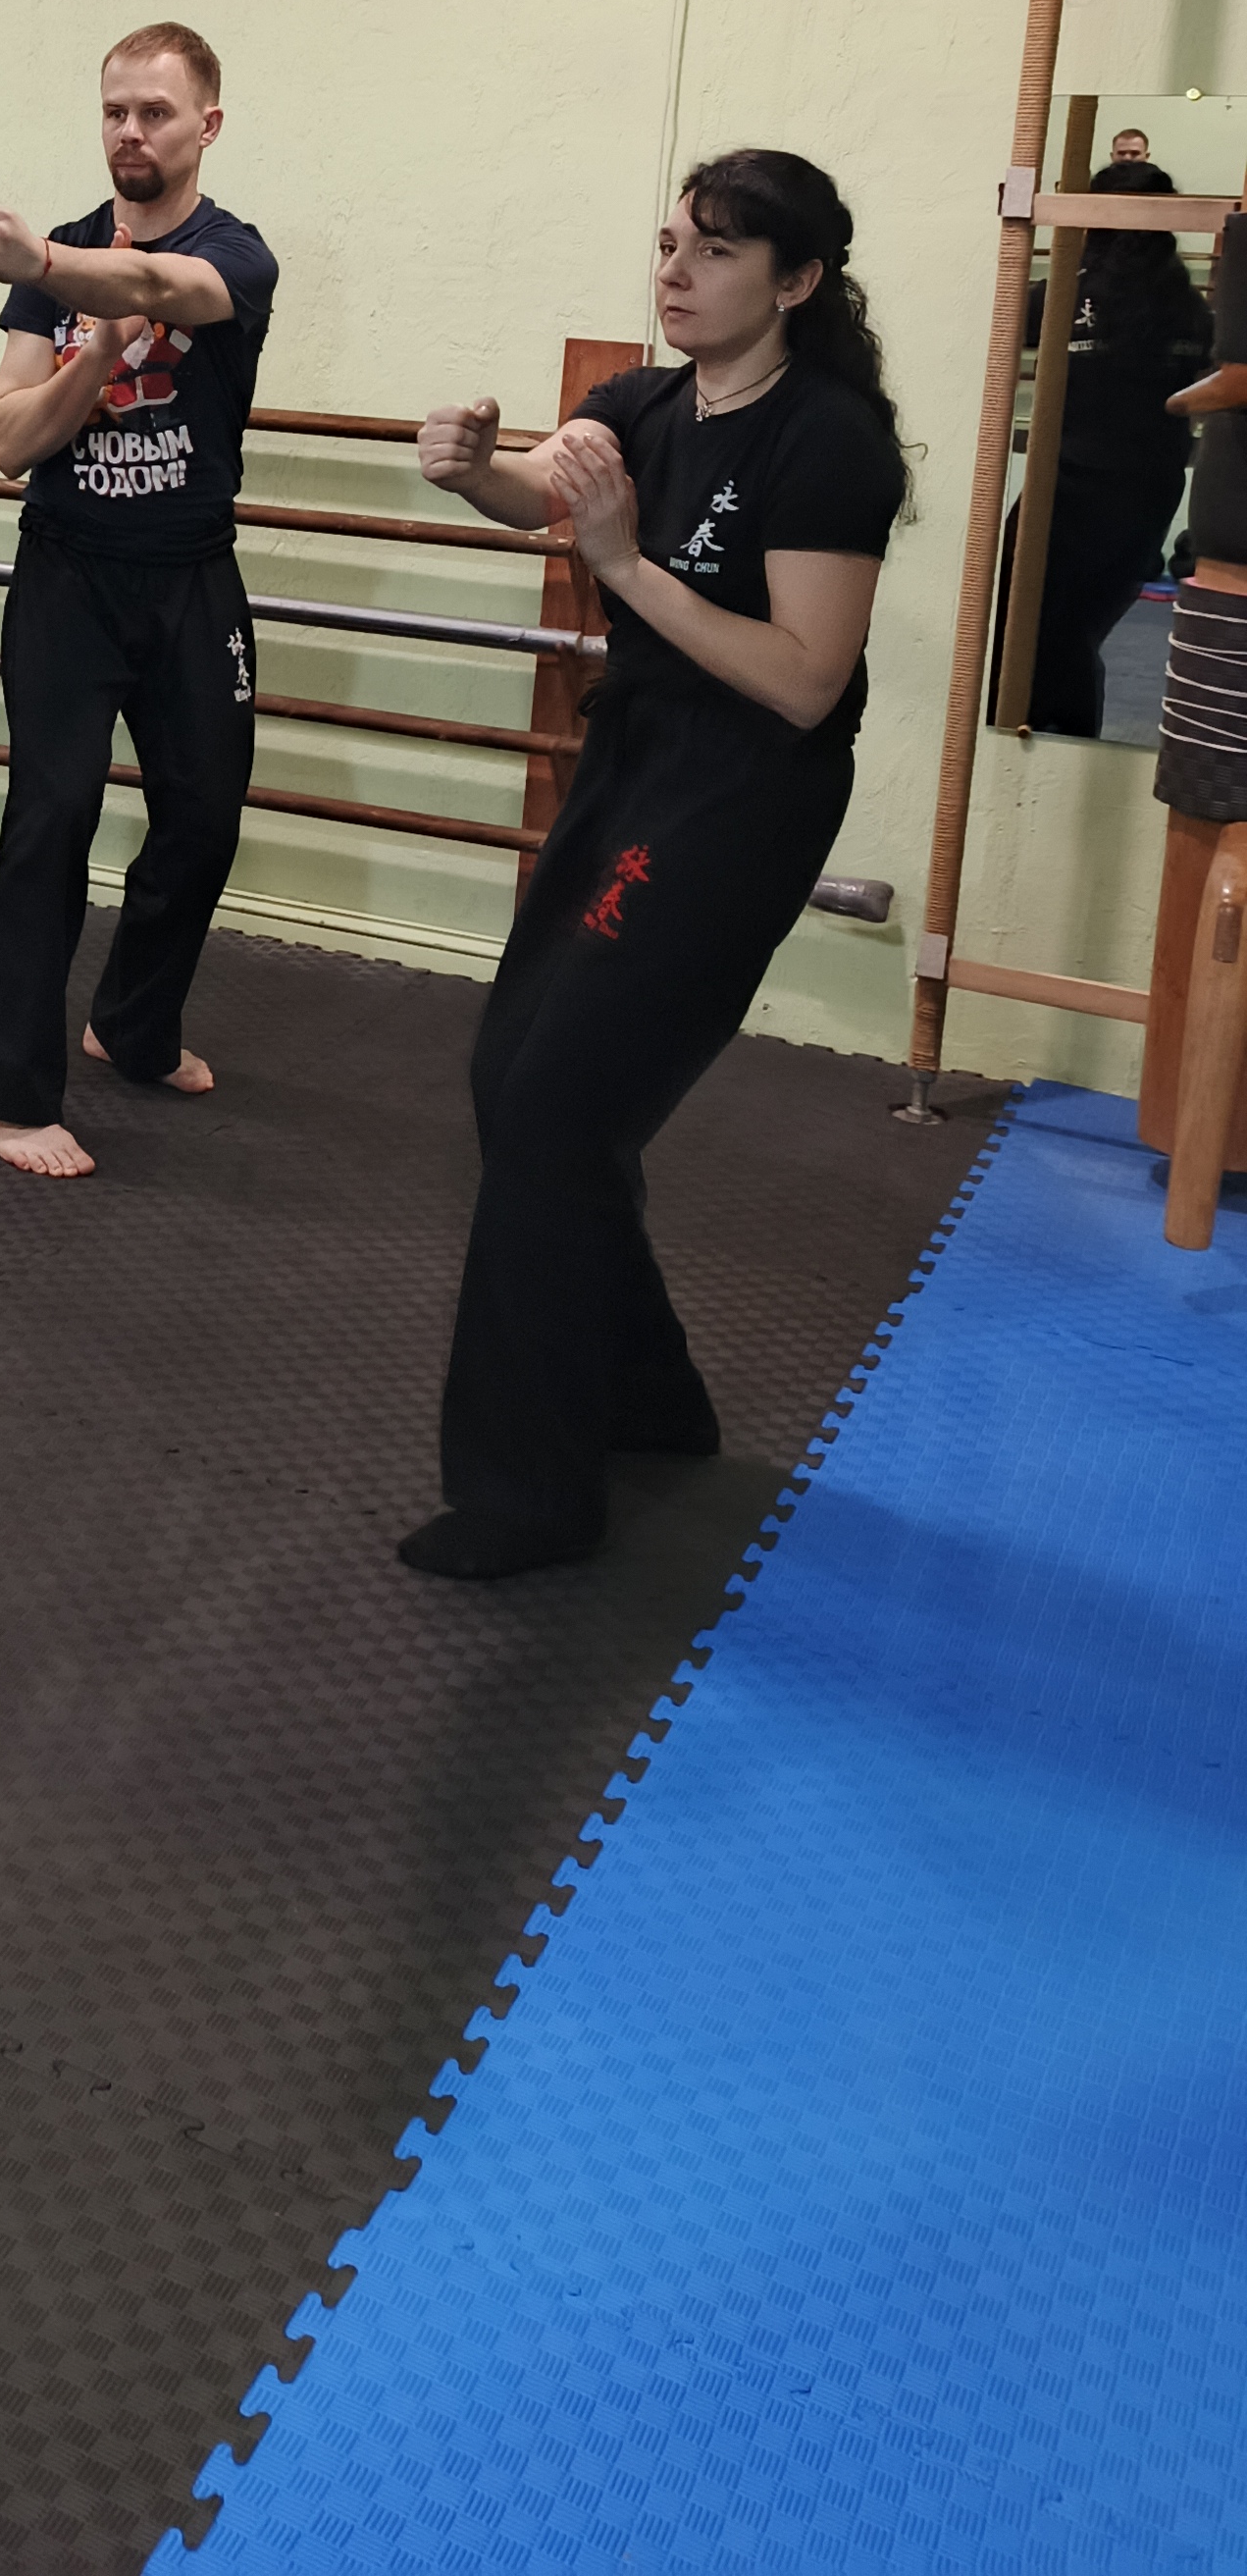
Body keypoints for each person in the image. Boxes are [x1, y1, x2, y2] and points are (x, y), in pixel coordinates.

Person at [406, 148, 907, 1578]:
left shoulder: (830, 440)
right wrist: (471, 469)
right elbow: (544, 488)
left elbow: (805, 680)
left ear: (797, 282)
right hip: (637, 759)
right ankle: (648, 1398)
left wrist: (627, 569)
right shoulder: (644, 399)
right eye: (672, 243)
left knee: (557, 1102)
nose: (676, 272)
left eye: (717, 251)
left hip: (742, 793)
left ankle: (532, 1495)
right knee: (517, 1080)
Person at [0, 22, 279, 1178]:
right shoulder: (59, 263)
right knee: (52, 816)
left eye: (155, 111)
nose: (130, 130)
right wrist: (92, 353)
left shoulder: (235, 253)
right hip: (70, 577)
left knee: (204, 816)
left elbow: (160, 284)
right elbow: (9, 441)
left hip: (193, 577)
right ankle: (9, 1090)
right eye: (114, 111)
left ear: (207, 124)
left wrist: (49, 266)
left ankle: (133, 1024)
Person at [993, 160, 1209, 736]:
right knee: (1070, 638)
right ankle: (1049, 741)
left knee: (1027, 633)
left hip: (1070, 493)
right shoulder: (1188, 306)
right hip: (1145, 499)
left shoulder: (1071, 295)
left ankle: (1029, 744)